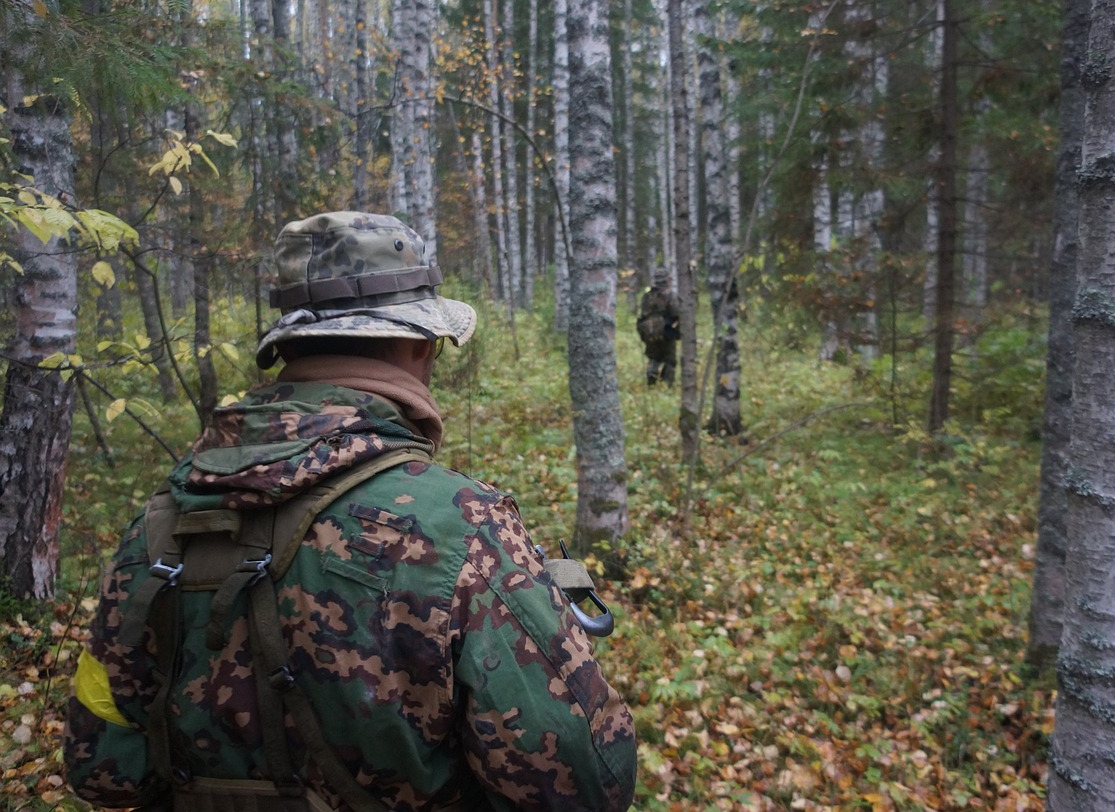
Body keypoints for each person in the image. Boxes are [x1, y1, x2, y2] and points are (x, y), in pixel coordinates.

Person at [64, 212, 637, 811]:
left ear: (288, 347)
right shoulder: (461, 525)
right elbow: (583, 785)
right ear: (419, 344)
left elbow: (102, 770)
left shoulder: (163, 520)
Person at [635, 267, 679, 386]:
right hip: (667, 332)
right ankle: (667, 385)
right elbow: (676, 312)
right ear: (667, 280)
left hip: (649, 333)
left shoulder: (647, 296)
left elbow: (643, 314)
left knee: (653, 358)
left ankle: (651, 380)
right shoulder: (670, 295)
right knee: (669, 360)